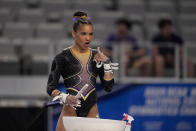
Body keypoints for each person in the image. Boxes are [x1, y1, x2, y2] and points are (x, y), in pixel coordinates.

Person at [47, 11, 117, 131]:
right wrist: (64, 97)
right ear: (74, 33)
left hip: (91, 108)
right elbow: (50, 87)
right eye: (83, 34)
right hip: (70, 107)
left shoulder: (97, 56)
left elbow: (108, 87)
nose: (88, 38)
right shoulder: (62, 57)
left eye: (91, 34)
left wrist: (107, 65)